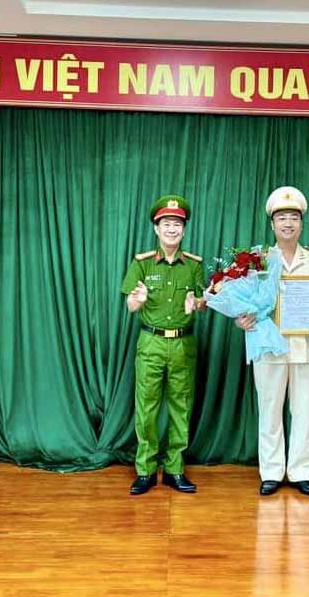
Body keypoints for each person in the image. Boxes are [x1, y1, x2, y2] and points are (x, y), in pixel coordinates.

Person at [236, 186, 309, 497]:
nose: (288, 223)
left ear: (301, 223)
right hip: (269, 346)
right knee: (269, 409)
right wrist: (242, 318)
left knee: (305, 410)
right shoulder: (259, 260)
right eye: (282, 218)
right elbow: (245, 302)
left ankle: (302, 471)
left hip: (307, 346)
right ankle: (272, 472)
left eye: (293, 217)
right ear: (272, 224)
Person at [121, 195, 206, 495]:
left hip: (183, 345)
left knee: (180, 407)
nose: (172, 229)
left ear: (183, 230)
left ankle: (173, 469)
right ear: (157, 229)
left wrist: (196, 303)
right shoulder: (141, 263)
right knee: (146, 407)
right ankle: (145, 470)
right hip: (151, 342)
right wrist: (137, 299)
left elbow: (202, 301)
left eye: (178, 224)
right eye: (166, 223)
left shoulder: (194, 265)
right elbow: (130, 303)